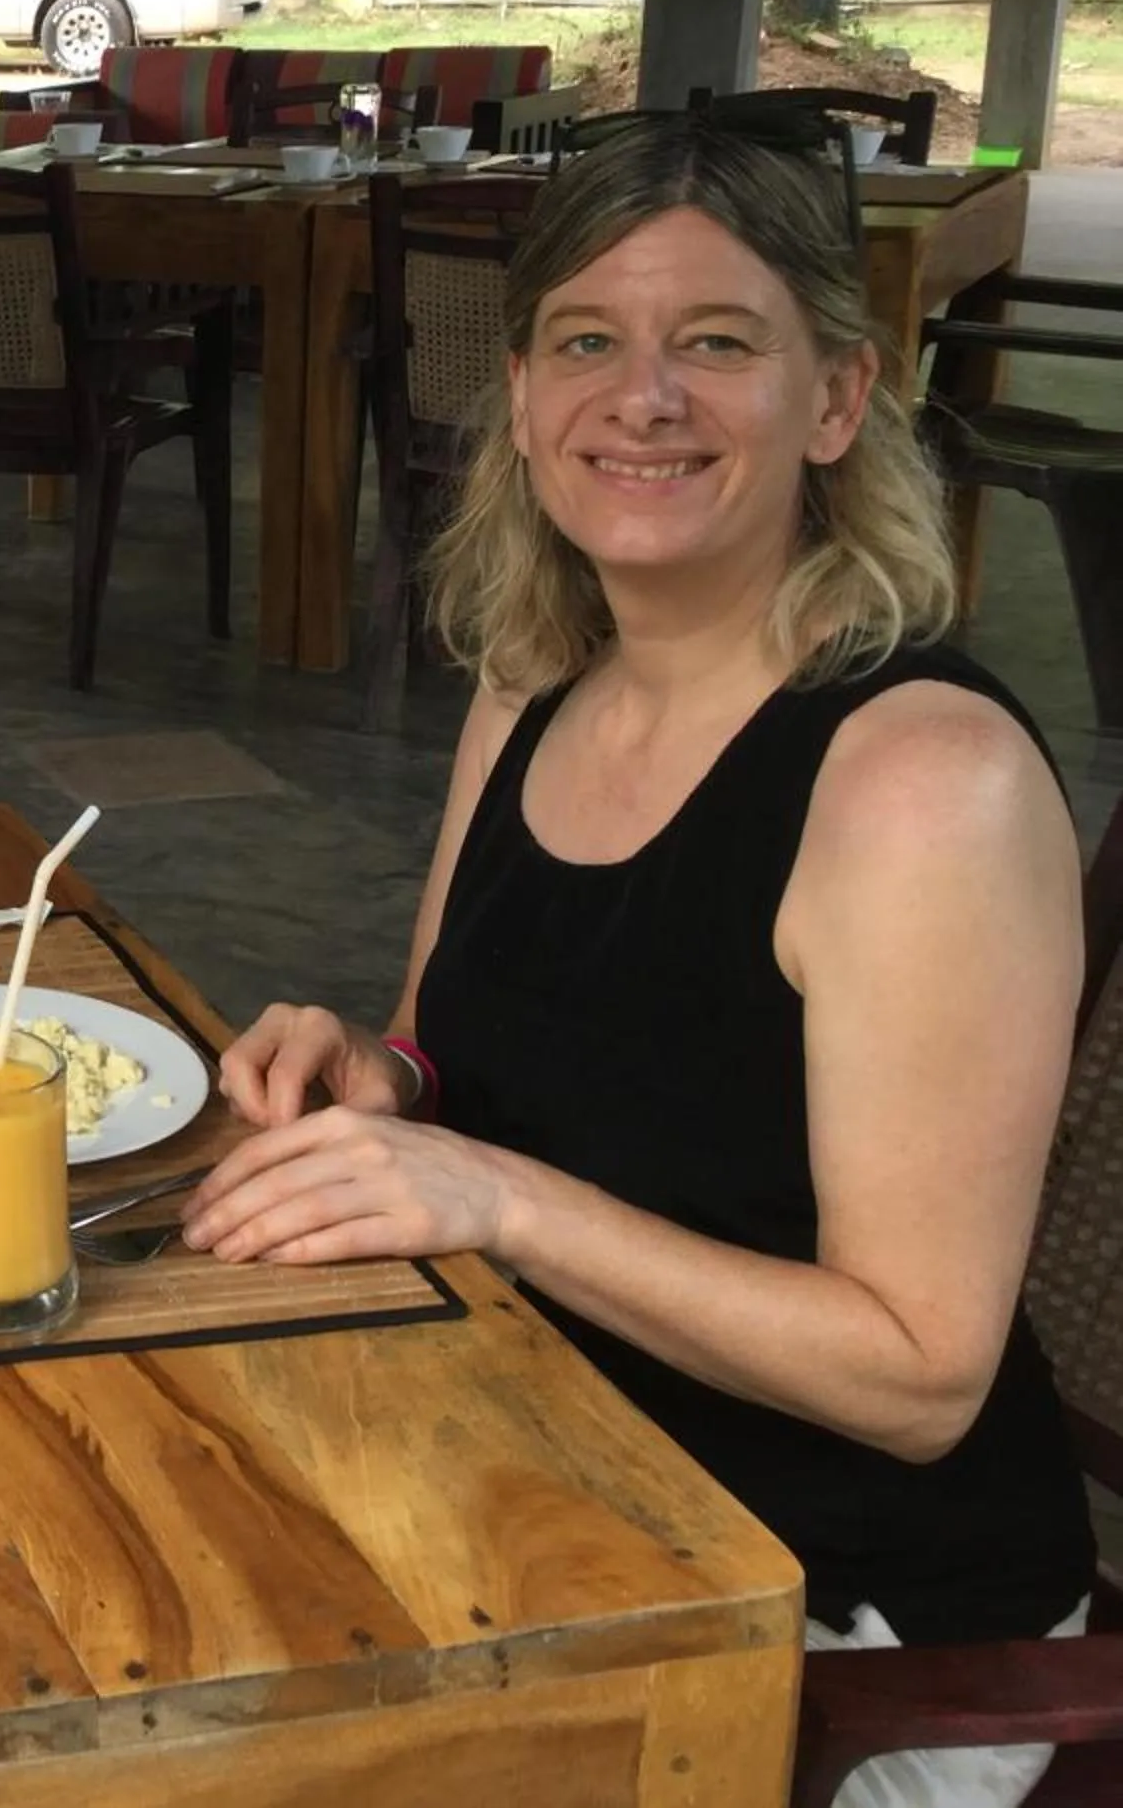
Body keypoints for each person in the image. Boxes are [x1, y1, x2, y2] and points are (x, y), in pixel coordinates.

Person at [180, 115, 1094, 1808]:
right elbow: (445, 1054)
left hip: (855, 1631)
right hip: (559, 1486)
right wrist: (381, 1086)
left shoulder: (918, 781)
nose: (644, 398)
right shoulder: (541, 677)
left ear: (836, 397)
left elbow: (916, 1374)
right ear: (522, 400)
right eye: (587, 343)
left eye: (720, 344)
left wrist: (493, 1199)